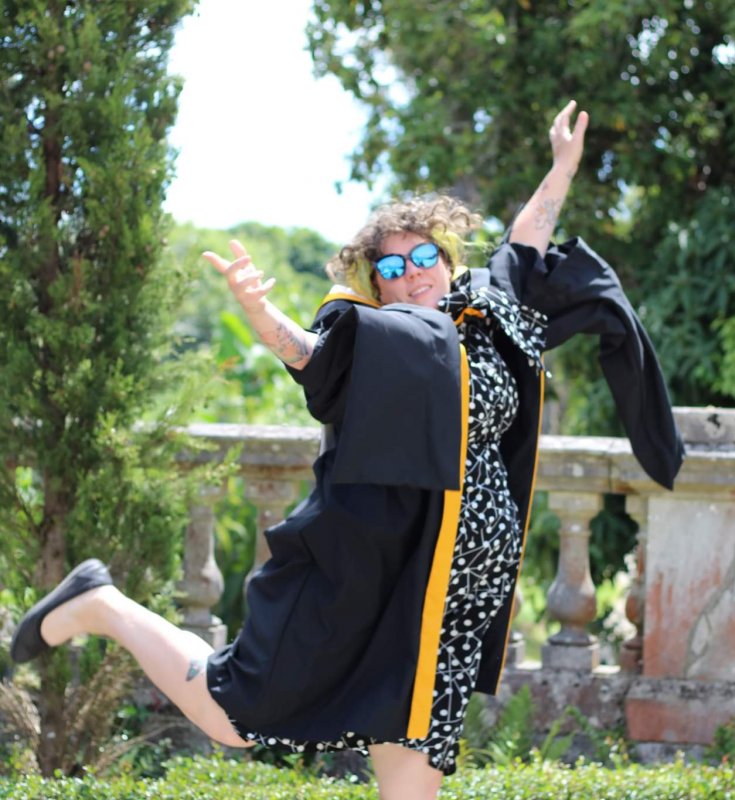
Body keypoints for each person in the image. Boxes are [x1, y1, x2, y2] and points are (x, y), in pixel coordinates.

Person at [9, 101, 682, 800]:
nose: (414, 271)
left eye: (426, 255)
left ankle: (101, 603)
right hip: (389, 592)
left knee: (410, 787)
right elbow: (310, 353)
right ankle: (102, 603)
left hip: (451, 614)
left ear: (446, 258)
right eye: (393, 267)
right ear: (377, 286)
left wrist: (563, 167)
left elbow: (529, 235)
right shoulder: (381, 346)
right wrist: (259, 313)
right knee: (235, 716)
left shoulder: (490, 308)